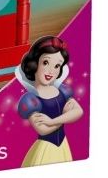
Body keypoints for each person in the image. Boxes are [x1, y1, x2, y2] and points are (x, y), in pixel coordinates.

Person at [15, 36, 83, 167]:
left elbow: (79, 111)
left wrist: (52, 121)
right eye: (46, 63)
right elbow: (42, 129)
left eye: (57, 66)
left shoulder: (63, 90)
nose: (51, 71)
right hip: (45, 148)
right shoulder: (30, 100)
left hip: (63, 145)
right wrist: (66, 116)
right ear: (34, 64)